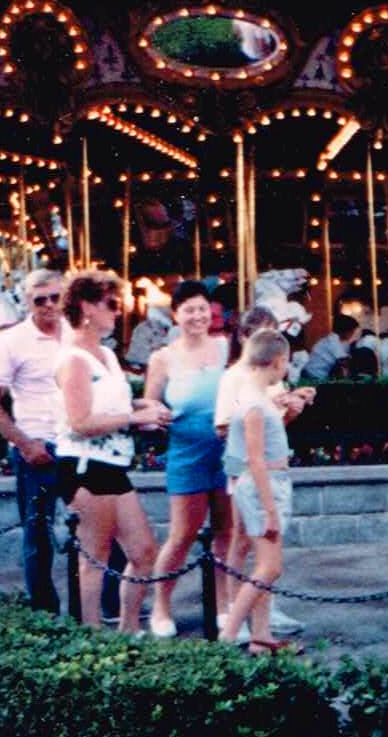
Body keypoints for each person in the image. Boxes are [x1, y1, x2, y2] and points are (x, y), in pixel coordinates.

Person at [53, 269, 170, 630]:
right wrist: (133, 418)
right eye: (112, 304)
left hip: (113, 465)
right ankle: (91, 638)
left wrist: (142, 408)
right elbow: (80, 420)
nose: (119, 312)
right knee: (95, 557)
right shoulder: (73, 359)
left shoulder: (105, 353)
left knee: (144, 552)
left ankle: (128, 630)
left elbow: (111, 406)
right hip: (85, 465)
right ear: (87, 307)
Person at [214, 307, 314, 637]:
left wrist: (291, 405)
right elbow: (234, 435)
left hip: (264, 472)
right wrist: (265, 502)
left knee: (264, 557)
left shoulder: (264, 386)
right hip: (250, 473)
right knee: (254, 551)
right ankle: (233, 620)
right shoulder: (240, 384)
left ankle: (262, 627)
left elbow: (273, 430)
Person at [142, 281, 233, 638]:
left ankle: (224, 605)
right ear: (175, 315)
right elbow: (149, 404)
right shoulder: (163, 358)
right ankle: (161, 606)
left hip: (226, 452)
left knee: (226, 533)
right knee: (182, 534)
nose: (197, 316)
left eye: (202, 309)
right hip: (185, 454)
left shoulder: (226, 347)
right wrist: (155, 414)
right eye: (189, 310)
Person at [0, 269, 67, 613]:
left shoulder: (78, 333)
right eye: (39, 299)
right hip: (38, 449)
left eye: (55, 297)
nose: (48, 305)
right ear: (28, 302)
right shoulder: (11, 342)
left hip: (80, 444)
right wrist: (26, 444)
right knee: (38, 535)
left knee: (101, 527)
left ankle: (106, 606)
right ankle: (44, 614)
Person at [301, 313, 360, 380]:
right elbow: (344, 361)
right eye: (352, 331)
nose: (352, 334)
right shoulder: (333, 340)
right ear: (346, 331)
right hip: (313, 375)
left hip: (319, 374)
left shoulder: (338, 341)